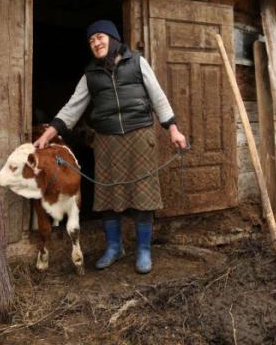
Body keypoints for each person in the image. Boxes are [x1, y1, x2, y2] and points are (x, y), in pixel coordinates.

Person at [34, 20, 187, 274]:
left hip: (139, 135)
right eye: (91, 40)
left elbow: (158, 96)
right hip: (106, 140)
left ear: (113, 39)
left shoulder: (137, 62)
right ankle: (114, 248)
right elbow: (73, 107)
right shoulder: (90, 74)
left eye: (100, 37)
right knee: (107, 198)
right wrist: (49, 134)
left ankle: (143, 250)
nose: (96, 43)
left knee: (143, 194)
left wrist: (173, 129)